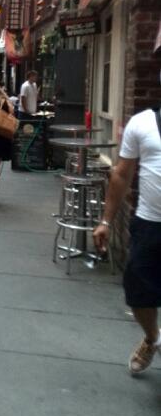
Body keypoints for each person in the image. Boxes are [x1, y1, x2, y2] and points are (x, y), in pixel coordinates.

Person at [93, 101, 161, 375]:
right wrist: (106, 221)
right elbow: (121, 174)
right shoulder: (142, 123)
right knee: (138, 292)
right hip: (149, 224)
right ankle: (152, 338)